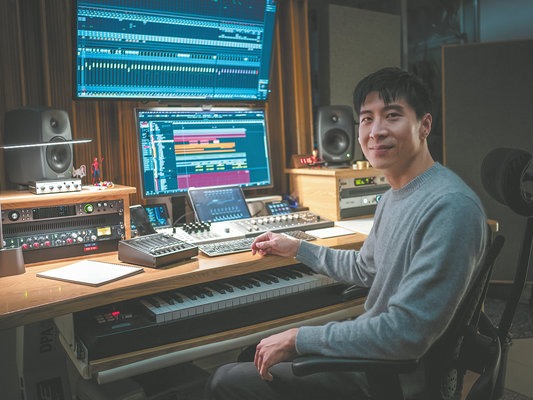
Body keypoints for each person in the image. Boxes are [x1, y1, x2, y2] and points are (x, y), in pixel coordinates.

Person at [205, 67, 489, 400]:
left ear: (424, 125)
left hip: (388, 375)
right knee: (249, 355)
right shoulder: (394, 196)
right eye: (367, 119)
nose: (376, 131)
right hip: (376, 355)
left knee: (224, 379)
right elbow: (366, 267)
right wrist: (297, 247)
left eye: (392, 116)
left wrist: (298, 339)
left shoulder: (450, 208)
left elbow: (406, 334)